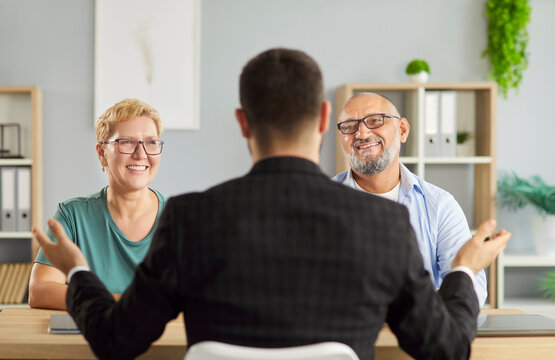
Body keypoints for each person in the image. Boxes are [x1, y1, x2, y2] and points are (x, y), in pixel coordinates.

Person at [33, 48, 510, 360]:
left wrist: (76, 270)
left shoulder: (188, 218)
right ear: (326, 119)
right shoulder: (384, 223)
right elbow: (446, 350)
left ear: (243, 122)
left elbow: (117, 341)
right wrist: (466, 268)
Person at [333, 92, 488, 306]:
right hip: (344, 336)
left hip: (420, 336)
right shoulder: (319, 203)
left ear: (403, 130)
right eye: (349, 126)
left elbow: (472, 290)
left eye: (375, 120)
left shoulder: (440, 206)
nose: (361, 133)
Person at [28, 98, 167, 310]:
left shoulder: (179, 217)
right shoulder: (73, 215)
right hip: (90, 338)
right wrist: (125, 304)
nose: (141, 154)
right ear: (102, 153)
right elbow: (40, 291)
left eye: (151, 142)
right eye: (127, 142)